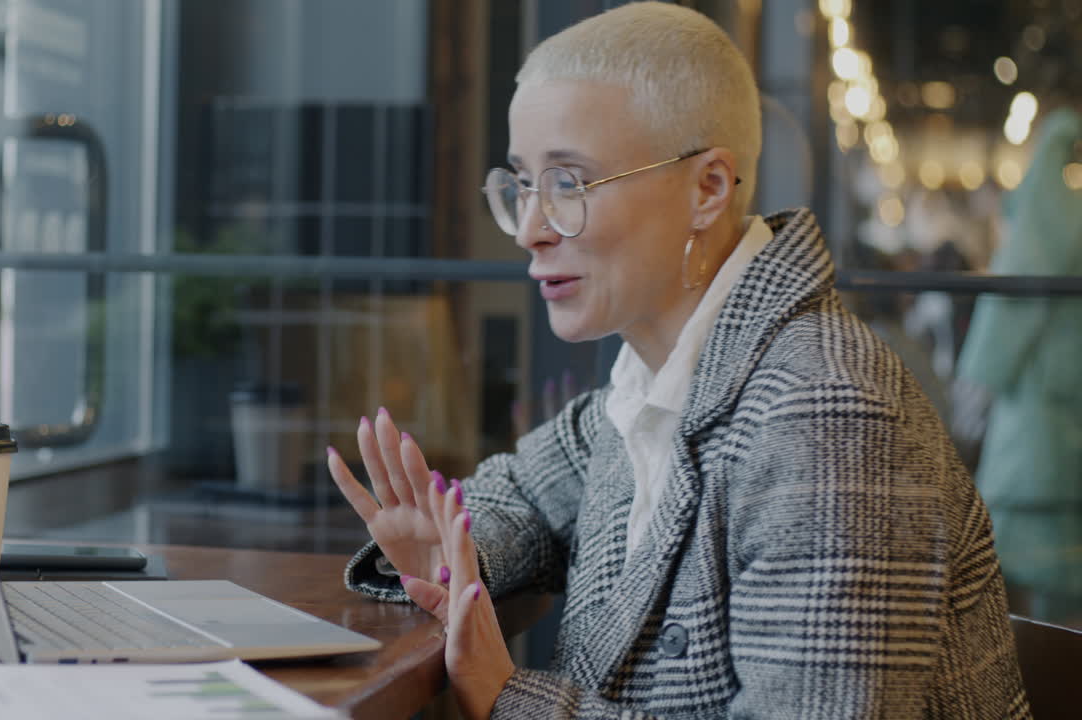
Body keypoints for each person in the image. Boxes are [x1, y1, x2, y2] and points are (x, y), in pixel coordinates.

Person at [326, 4, 1028, 717]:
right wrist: (445, 558)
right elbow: (527, 492)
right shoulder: (658, 375)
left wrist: (509, 696)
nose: (532, 229)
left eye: (569, 183)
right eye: (522, 186)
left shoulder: (826, 412)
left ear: (707, 189)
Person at [957, 107, 1082, 622]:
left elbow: (1012, 303)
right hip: (1061, 400)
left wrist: (977, 380)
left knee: (1022, 544)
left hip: (1040, 409)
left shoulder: (1046, 209)